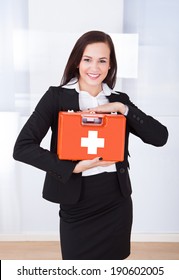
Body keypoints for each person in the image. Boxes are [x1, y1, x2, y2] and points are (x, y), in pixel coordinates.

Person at [13, 30, 168, 260]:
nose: (94, 68)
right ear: (77, 61)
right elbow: (22, 147)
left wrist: (121, 109)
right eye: (88, 59)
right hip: (77, 203)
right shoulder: (56, 97)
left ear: (110, 66)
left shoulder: (119, 100)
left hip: (116, 201)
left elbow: (160, 137)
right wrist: (73, 167)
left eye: (102, 61)